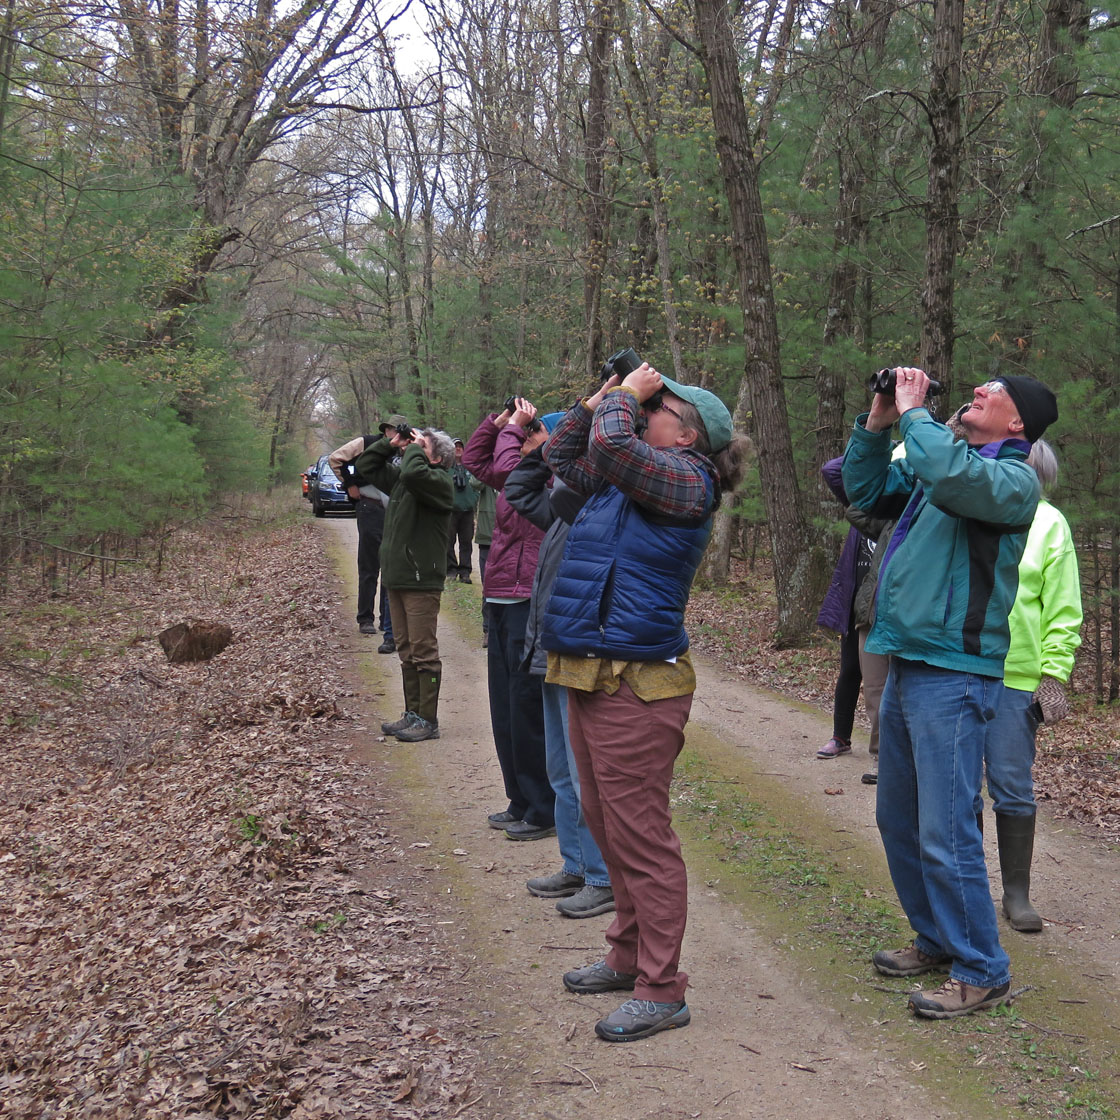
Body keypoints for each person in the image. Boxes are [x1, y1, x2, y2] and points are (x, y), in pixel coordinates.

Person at [542, 362, 748, 1043]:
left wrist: (623, 399)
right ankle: (628, 957)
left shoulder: (688, 483)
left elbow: (607, 447)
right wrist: (598, 399)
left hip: (639, 686)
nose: (642, 410)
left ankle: (663, 989)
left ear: (687, 437)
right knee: (607, 828)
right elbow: (564, 454)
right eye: (646, 403)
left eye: (656, 407)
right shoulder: (625, 480)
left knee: (642, 840)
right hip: (591, 673)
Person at [842, 368, 1058, 1019]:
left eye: (996, 392)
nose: (980, 392)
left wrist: (915, 414)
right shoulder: (948, 462)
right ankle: (936, 937)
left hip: (958, 670)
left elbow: (951, 476)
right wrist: (880, 421)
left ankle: (982, 968)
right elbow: (866, 489)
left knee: (947, 828)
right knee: (899, 817)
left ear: (1019, 424)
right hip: (910, 659)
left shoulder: (1013, 483)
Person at [504, 445, 614, 919]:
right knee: (561, 771)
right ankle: (575, 864)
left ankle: (602, 877)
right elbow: (517, 488)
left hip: (578, 651)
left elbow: (570, 483)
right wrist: (539, 453)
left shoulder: (595, 504)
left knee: (584, 773)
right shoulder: (561, 511)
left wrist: (569, 445)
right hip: (548, 649)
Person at [979, 438, 1082, 932]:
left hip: (1016, 678)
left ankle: (1016, 893)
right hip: (960, 666)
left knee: (1012, 787)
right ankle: (967, 887)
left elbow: (1063, 610)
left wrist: (1053, 674)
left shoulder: (1049, 523)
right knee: (958, 792)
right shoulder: (974, 508)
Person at [462, 399, 556, 841]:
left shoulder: (554, 480)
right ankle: (518, 799)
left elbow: (501, 463)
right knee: (502, 706)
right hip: (499, 595)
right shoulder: (514, 472)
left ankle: (542, 807)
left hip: (528, 599)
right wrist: (497, 423)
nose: (524, 440)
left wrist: (515, 429)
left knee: (525, 707)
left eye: (534, 433)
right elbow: (474, 461)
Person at [352, 423, 455, 743]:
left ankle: (429, 719)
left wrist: (415, 446)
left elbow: (413, 473)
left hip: (421, 581)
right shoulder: (405, 482)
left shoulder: (439, 482)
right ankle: (413, 714)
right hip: (398, 578)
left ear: (436, 459)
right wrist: (389, 442)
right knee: (407, 650)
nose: (410, 450)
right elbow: (366, 466)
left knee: (424, 652)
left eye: (421, 448)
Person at [328, 432, 390, 637]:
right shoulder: (366, 442)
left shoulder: (407, 447)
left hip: (395, 512)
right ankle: (365, 617)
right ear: (385, 429)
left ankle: (388, 619)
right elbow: (336, 458)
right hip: (369, 506)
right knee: (370, 565)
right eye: (391, 428)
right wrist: (349, 483)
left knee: (391, 565)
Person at [447, 439, 479, 582]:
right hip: (450, 510)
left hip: (467, 510)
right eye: (455, 447)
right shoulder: (447, 468)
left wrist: (473, 500)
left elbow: (477, 485)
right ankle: (451, 570)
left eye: (460, 446)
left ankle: (465, 572)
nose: (458, 449)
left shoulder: (470, 468)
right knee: (449, 541)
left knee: (466, 542)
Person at [472, 477, 497, 647]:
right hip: (487, 537)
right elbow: (475, 483)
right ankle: (488, 630)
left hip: (512, 538)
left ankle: (499, 629)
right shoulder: (489, 471)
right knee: (487, 586)